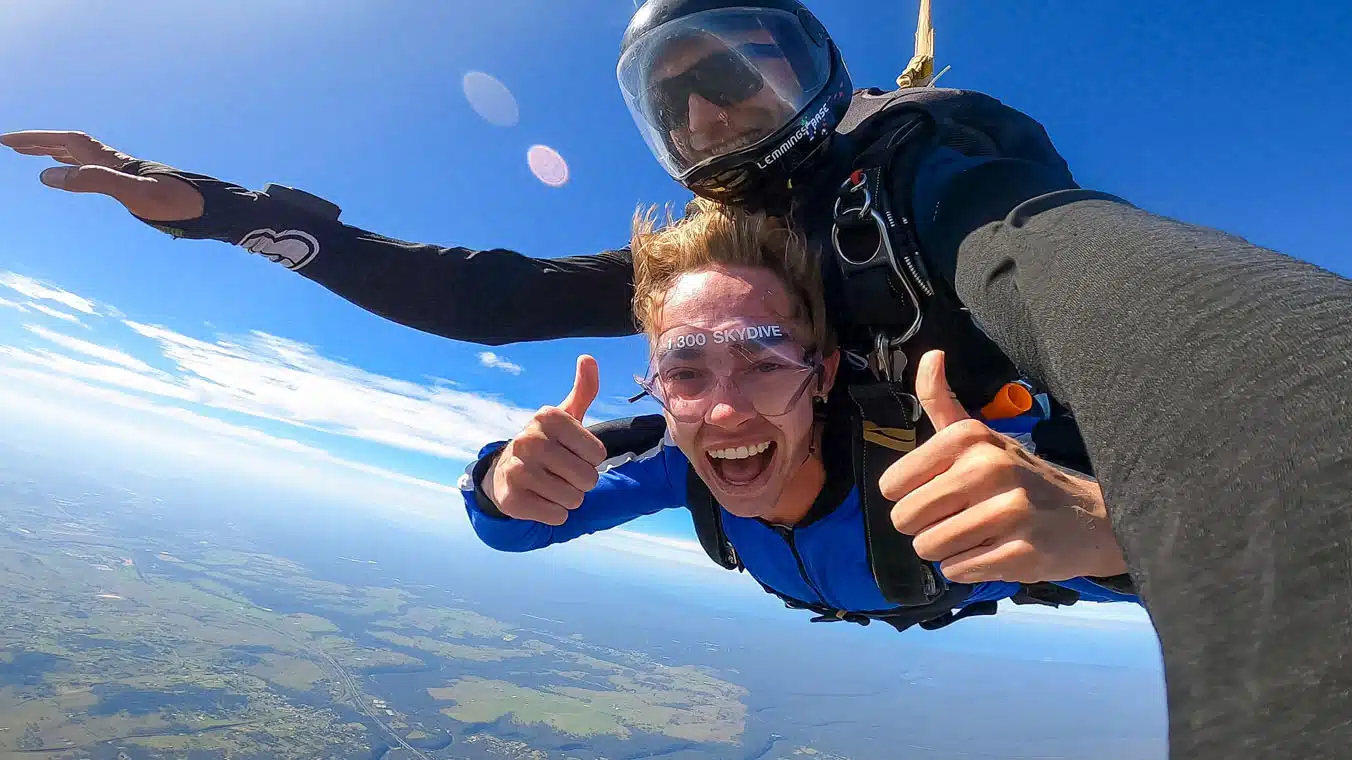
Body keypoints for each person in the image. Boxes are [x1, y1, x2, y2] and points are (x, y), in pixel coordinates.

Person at [7, 2, 1352, 755]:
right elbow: (492, 310)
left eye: (734, 74)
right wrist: (215, 209)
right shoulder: (692, 428)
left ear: (822, 364)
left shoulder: (937, 206)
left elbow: (1100, 288)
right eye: (676, 98)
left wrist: (1112, 534)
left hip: (970, 473)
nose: (709, 116)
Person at [461, 197, 1139, 635]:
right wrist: (504, 481)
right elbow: (518, 531)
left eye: (764, 363)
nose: (724, 412)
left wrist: (1105, 526)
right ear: (657, 390)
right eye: (686, 372)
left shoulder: (940, 467)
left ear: (825, 376)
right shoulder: (677, 466)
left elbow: (1208, 573)